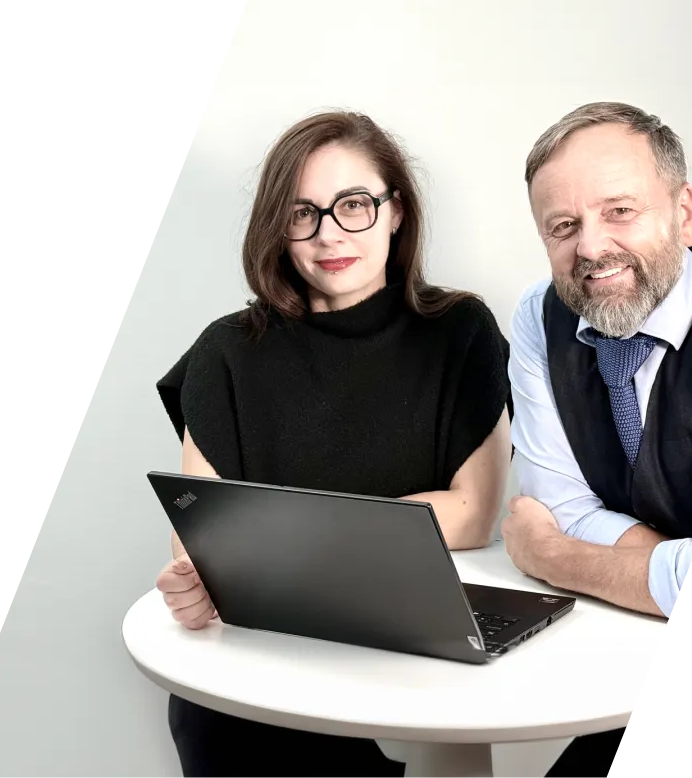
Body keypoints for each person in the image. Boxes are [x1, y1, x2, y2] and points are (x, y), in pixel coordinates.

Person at [151, 110, 513, 778]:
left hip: (415, 655)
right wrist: (200, 577)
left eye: (354, 206)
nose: (328, 236)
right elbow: (204, 541)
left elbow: (473, 513)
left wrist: (280, 544)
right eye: (301, 214)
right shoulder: (227, 351)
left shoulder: (460, 330)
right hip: (262, 665)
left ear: (396, 210)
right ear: (277, 229)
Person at [500, 101, 692, 776]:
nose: (592, 246)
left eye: (620, 211)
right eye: (564, 226)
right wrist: (667, 568)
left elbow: (554, 534)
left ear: (684, 214)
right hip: (629, 647)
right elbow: (559, 504)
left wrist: (554, 557)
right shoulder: (536, 317)